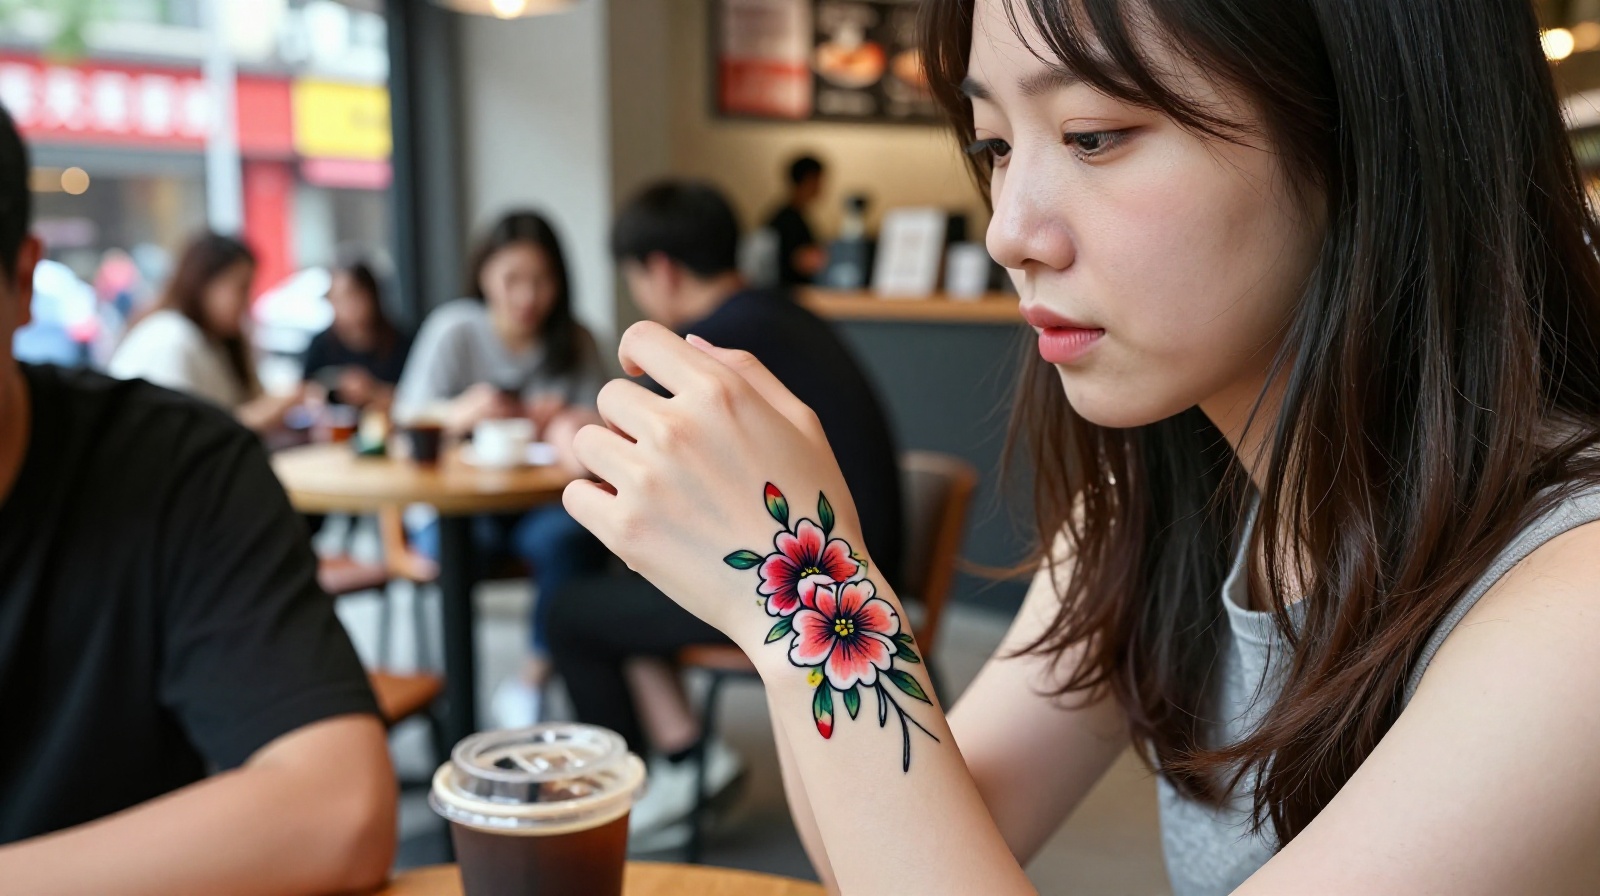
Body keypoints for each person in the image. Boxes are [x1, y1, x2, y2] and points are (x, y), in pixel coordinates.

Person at [558, 0, 1600, 893]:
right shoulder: (1158, 496)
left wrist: (800, 587)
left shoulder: (1572, 606)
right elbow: (875, 856)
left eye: (1093, 134)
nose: (1008, 228)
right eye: (995, 145)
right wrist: (785, 583)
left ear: (1366, 129)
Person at [0, 106, 396, 894]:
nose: (245, 303)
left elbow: (338, 806)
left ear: (20, 281)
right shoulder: (176, 345)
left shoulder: (174, 462)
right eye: (240, 288)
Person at [545, 180, 903, 845]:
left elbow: (633, 461)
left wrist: (573, 437)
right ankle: (684, 753)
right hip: (862, 561)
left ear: (661, 269)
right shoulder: (785, 317)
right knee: (616, 578)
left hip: (816, 589)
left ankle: (628, 799)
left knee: (568, 612)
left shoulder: (712, 347)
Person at [394, 210, 612, 723]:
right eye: (512, 279)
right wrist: (460, 412)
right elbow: (405, 425)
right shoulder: (455, 331)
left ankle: (531, 679)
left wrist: (564, 422)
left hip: (542, 505)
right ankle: (456, 712)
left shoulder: (576, 342)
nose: (527, 296)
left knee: (569, 537)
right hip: (461, 508)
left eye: (541, 281)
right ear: (484, 275)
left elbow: (605, 436)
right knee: (461, 544)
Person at [108, 232, 302, 434]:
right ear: (204, 284)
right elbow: (184, 436)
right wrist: (271, 409)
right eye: (241, 288)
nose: (247, 302)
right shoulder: (169, 337)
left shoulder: (219, 341)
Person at [301, 260, 411, 413]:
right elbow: (304, 392)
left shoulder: (400, 343)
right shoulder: (321, 344)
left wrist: (372, 392)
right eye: (336, 299)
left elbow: (415, 399)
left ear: (371, 295)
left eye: (351, 296)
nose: (344, 306)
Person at [765, 155, 828, 286]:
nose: (821, 187)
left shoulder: (794, 215)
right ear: (808, 180)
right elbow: (797, 260)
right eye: (818, 180)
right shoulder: (787, 219)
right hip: (789, 293)